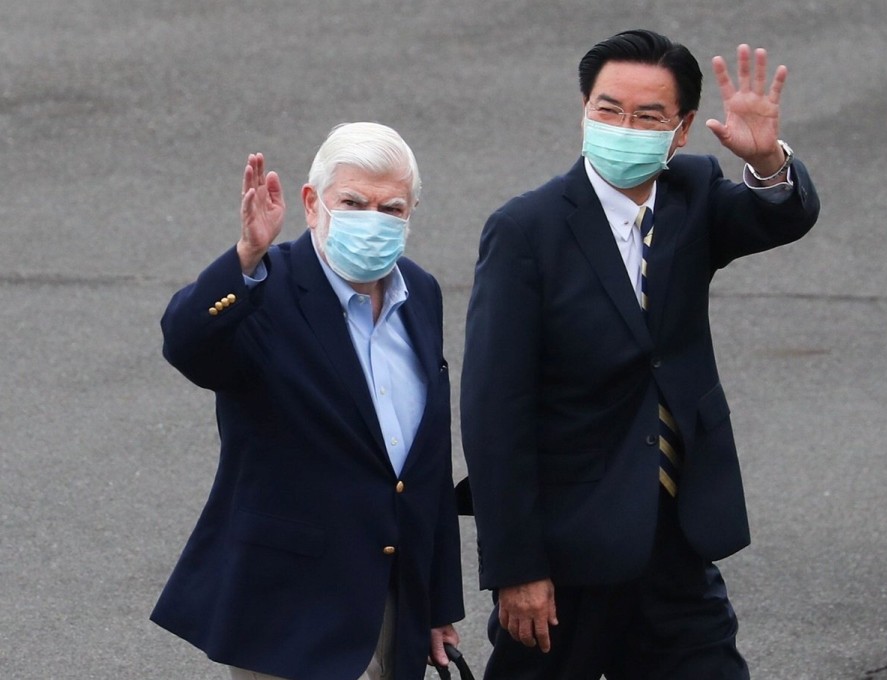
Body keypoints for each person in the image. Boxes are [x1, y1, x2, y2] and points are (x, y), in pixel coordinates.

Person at [460, 29, 821, 679]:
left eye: (647, 116)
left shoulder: (692, 194)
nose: (623, 127)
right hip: (568, 553)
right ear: (584, 109)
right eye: (607, 109)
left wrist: (768, 162)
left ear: (680, 130)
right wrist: (518, 569)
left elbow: (779, 216)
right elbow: (494, 414)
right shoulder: (526, 231)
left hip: (678, 538)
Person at [151, 122, 464, 680]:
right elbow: (186, 344)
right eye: (352, 202)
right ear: (311, 204)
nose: (372, 219)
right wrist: (246, 255)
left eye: (391, 208)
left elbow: (426, 463)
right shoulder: (265, 288)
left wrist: (437, 604)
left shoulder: (421, 293)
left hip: (394, 598)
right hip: (291, 604)